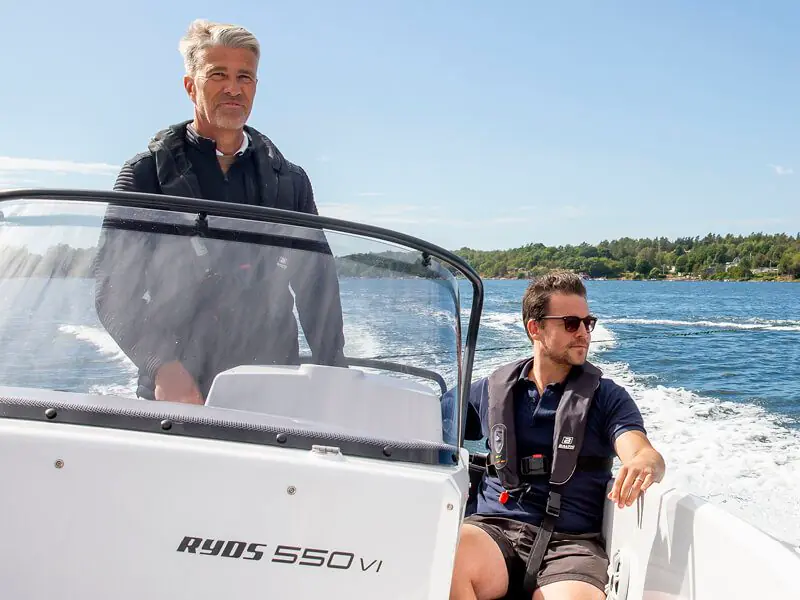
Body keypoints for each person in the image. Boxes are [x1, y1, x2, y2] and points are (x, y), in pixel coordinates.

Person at [93, 18, 346, 403]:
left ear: (255, 86)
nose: (233, 88)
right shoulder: (144, 176)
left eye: (245, 77)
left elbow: (317, 289)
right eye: (218, 75)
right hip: (178, 393)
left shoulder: (291, 183)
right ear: (190, 86)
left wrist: (335, 376)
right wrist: (162, 366)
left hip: (274, 388)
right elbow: (113, 290)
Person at [445, 270, 665, 600]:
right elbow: (428, 422)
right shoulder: (492, 390)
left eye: (588, 323)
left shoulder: (607, 397)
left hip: (573, 544)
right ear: (535, 328)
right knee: (448, 556)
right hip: (495, 528)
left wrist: (646, 462)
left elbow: (641, 451)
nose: (584, 333)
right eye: (571, 324)